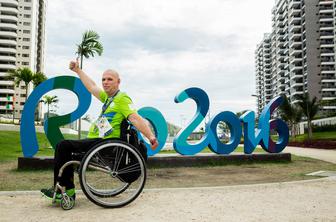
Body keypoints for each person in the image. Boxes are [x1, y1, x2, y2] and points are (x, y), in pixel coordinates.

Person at [41, 59, 158, 201]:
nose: (105, 82)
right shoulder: (109, 99)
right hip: (98, 141)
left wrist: (151, 136)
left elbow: (134, 118)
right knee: (66, 151)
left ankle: (63, 191)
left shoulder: (122, 99)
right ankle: (66, 190)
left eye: (110, 79)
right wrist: (78, 70)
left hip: (105, 143)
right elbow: (92, 87)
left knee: (63, 145)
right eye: (103, 79)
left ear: (118, 82)